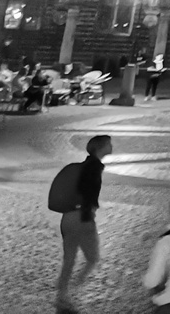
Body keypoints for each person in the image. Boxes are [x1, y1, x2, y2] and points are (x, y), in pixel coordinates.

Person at [55, 134, 111, 314]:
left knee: (69, 260)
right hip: (82, 218)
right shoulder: (94, 167)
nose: (111, 146)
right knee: (93, 258)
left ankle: (63, 294)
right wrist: (88, 218)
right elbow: (87, 192)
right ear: (100, 147)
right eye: (109, 144)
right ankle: (70, 292)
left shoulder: (85, 166)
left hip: (68, 216)